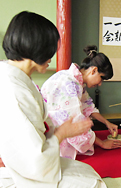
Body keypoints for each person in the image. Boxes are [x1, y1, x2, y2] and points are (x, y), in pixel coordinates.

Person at [0, 11, 106, 188]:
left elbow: (87, 106)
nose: (52, 56)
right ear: (36, 47)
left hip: (39, 152)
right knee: (94, 183)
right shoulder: (16, 90)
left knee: (88, 172)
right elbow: (33, 159)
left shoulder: (15, 77)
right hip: (27, 169)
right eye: (50, 48)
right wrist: (62, 133)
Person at [41, 45, 121, 160]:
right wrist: (102, 143)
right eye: (102, 78)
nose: (100, 84)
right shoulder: (68, 83)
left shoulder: (76, 82)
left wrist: (106, 123)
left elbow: (87, 106)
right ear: (94, 70)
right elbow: (75, 123)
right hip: (54, 138)